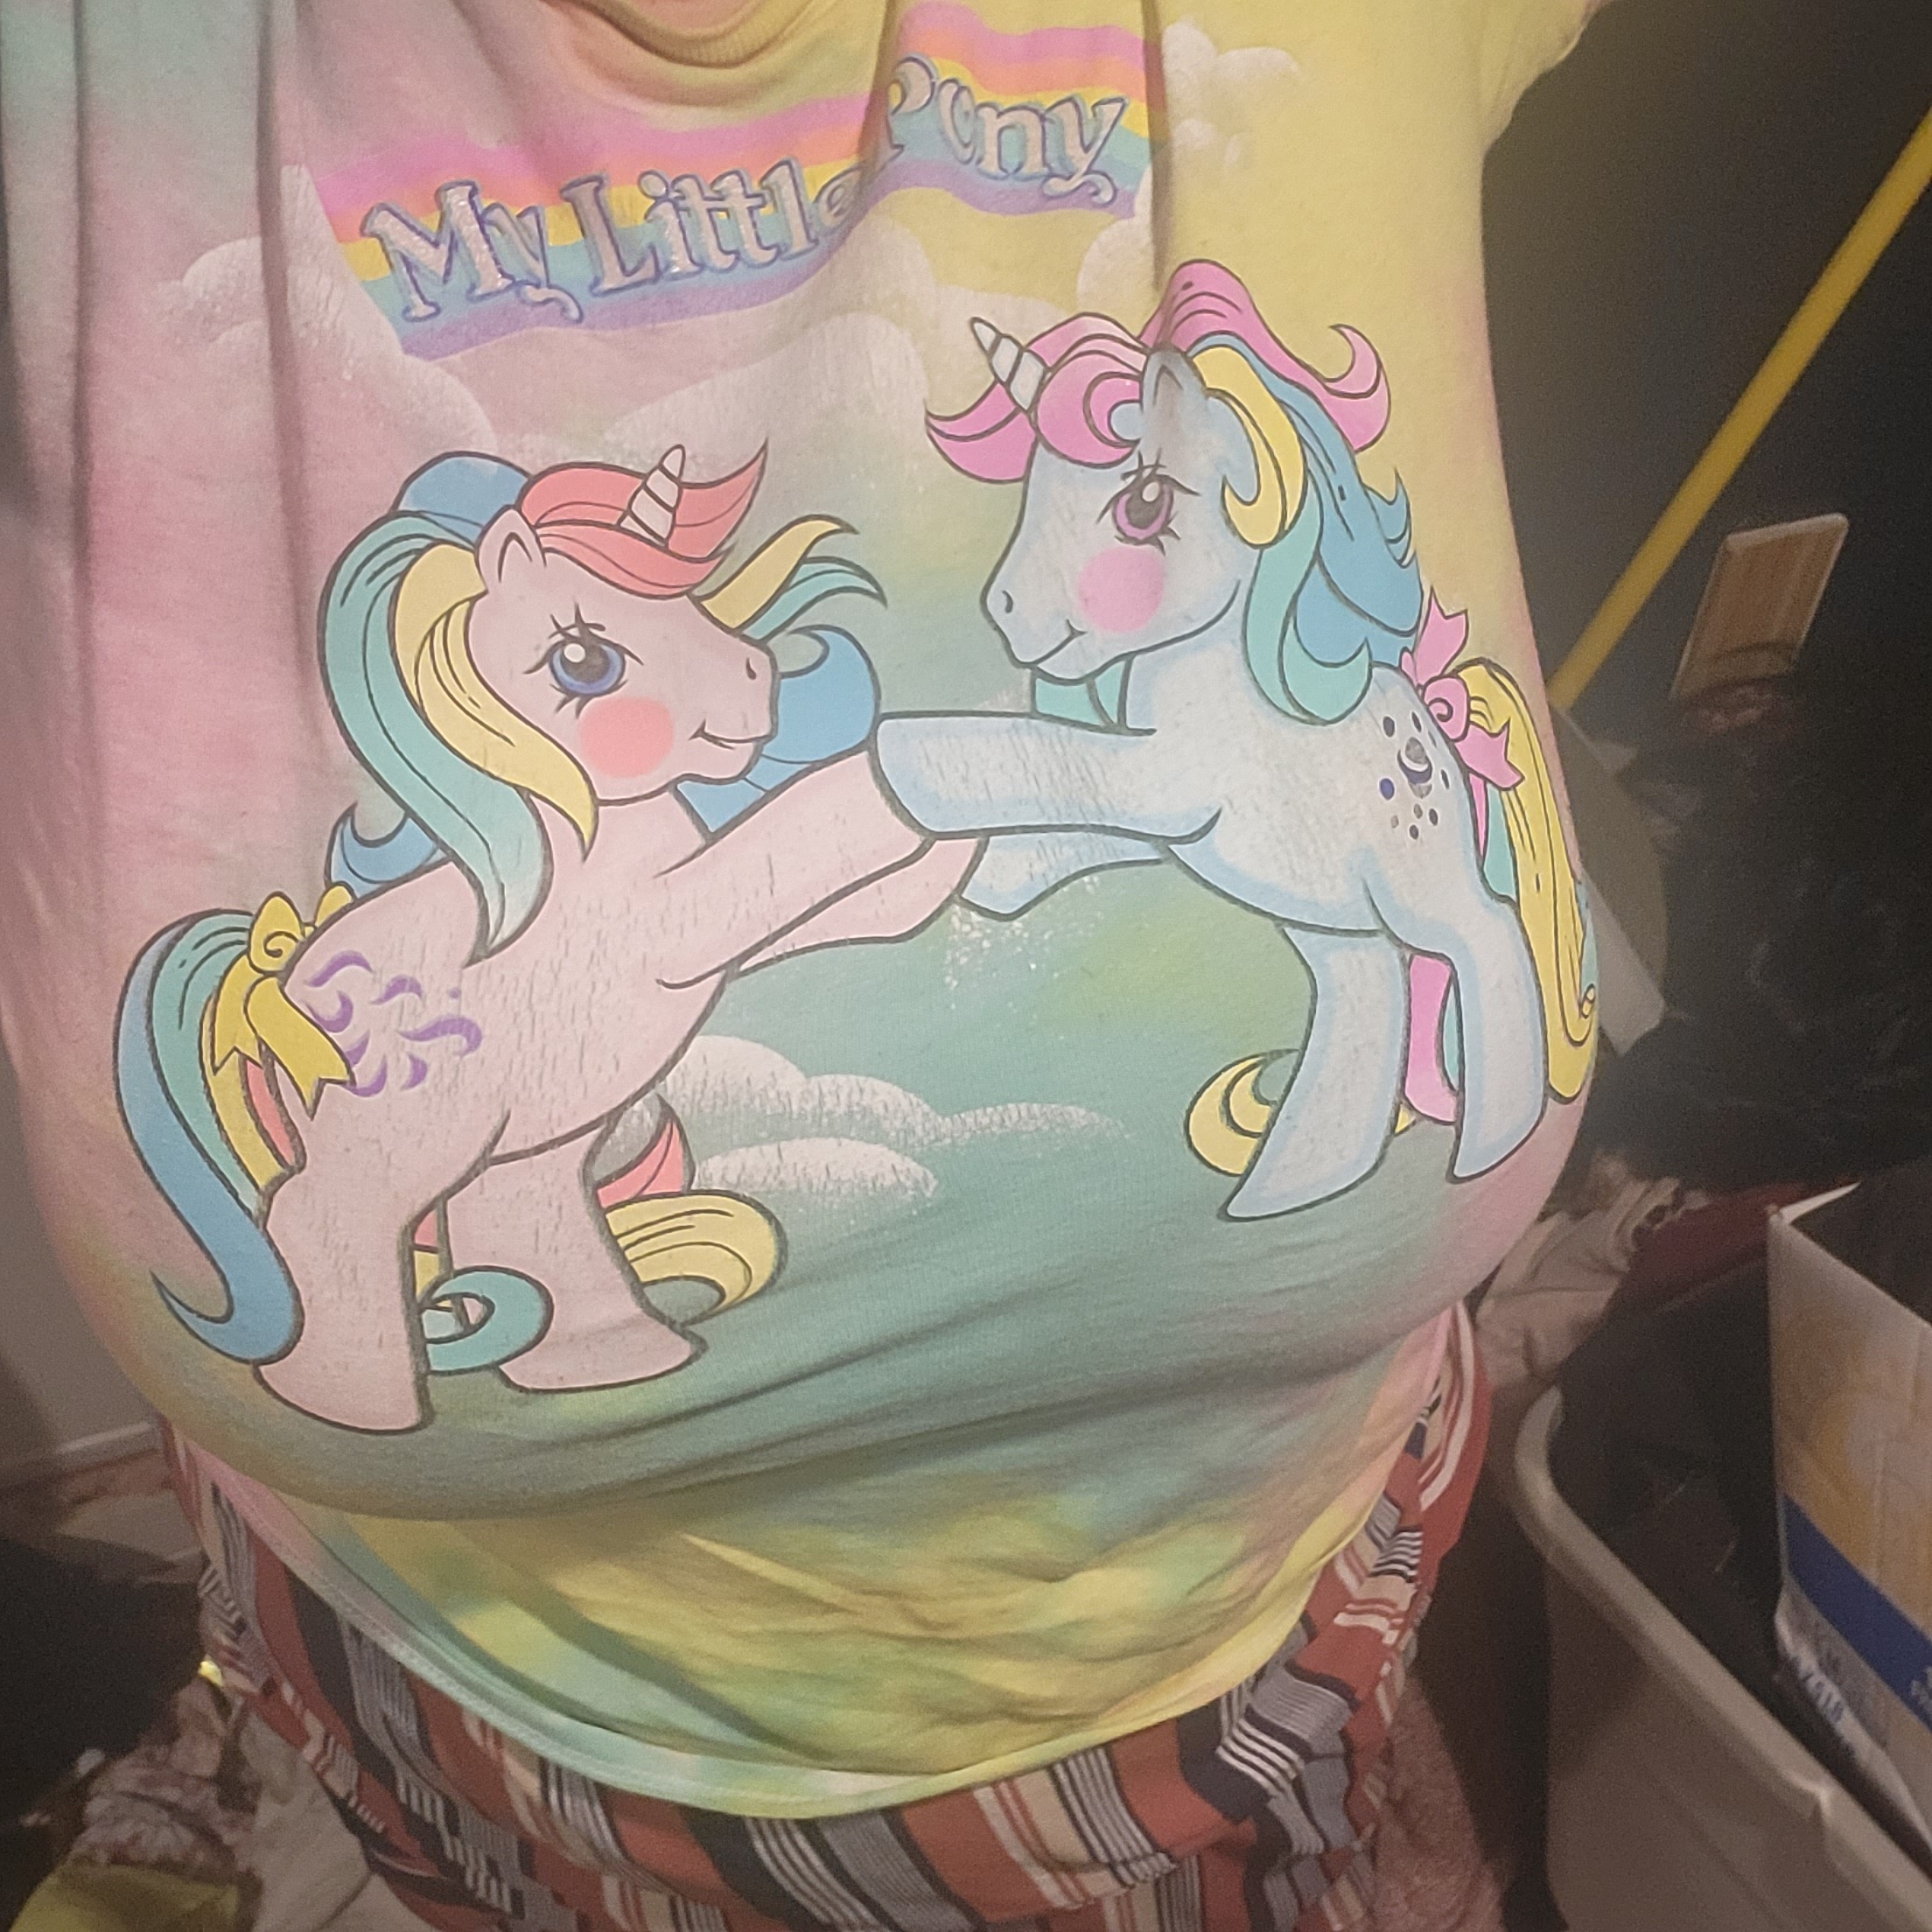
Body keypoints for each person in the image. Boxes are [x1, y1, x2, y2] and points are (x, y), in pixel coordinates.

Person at [0, 1, 1604, 1923]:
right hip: (443, 1696)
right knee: (442, 1181)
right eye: (592, 661)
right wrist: (901, 801)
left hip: (1245, 1657)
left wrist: (911, 842)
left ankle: (555, 1293)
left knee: (531, 1177)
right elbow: (720, 921)